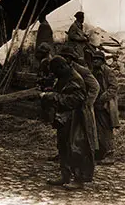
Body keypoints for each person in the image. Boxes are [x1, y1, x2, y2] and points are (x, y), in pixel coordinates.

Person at [40, 56, 94, 189]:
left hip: (75, 119)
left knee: (75, 148)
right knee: (63, 147)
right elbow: (61, 92)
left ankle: (78, 179)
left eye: (55, 71)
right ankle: (65, 175)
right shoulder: (64, 77)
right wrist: (50, 92)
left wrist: (52, 97)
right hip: (64, 118)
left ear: (61, 67)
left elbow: (74, 101)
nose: (54, 75)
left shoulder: (75, 79)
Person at [59, 46, 100, 163]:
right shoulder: (63, 70)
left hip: (82, 107)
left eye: (65, 57)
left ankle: (82, 159)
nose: (63, 59)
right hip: (70, 106)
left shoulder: (82, 70)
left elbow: (95, 87)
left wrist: (87, 103)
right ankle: (65, 154)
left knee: (81, 134)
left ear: (70, 59)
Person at [91, 51, 119, 164]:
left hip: (105, 104)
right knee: (98, 129)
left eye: (97, 59)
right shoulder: (94, 72)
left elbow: (114, 87)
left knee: (106, 129)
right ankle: (100, 153)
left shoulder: (108, 72)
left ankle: (110, 154)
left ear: (102, 61)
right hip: (96, 104)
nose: (95, 61)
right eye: (94, 59)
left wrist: (102, 98)